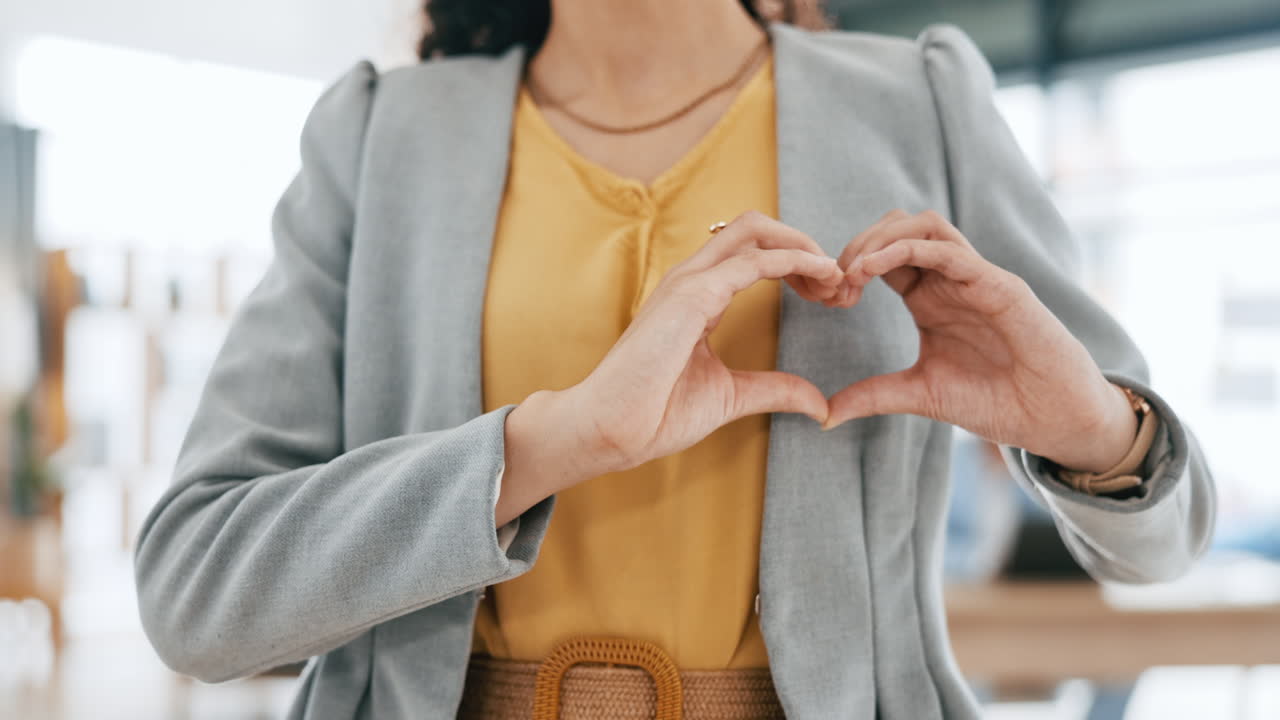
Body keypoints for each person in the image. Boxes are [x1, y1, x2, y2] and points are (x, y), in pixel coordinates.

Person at [132, 1, 1217, 718]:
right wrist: (552, 443)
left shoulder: (917, 100)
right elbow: (196, 593)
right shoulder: (378, 135)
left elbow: (1162, 544)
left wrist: (1093, 436)